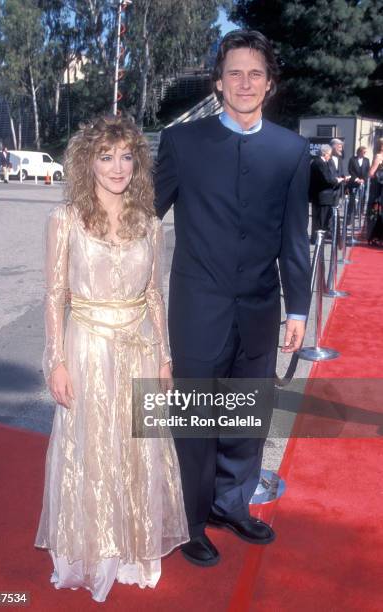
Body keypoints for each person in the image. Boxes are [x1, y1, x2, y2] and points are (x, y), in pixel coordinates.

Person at [154, 29, 311, 567]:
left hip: (262, 309)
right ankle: (191, 520)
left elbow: (294, 234)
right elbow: (142, 219)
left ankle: (231, 503)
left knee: (247, 416)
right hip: (198, 310)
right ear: (218, 82)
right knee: (196, 422)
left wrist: (298, 307)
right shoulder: (183, 143)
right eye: (234, 73)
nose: (245, 83)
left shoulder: (292, 151)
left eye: (256, 74)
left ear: (270, 84)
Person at [34, 115, 188, 602]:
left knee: (138, 449)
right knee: (91, 449)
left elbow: (155, 296)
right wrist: (55, 361)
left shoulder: (148, 222)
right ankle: (92, 549)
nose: (117, 167)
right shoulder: (65, 220)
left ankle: (132, 548)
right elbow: (55, 293)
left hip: (140, 348)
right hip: (88, 348)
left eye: (126, 156)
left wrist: (164, 359)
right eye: (106, 156)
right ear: (87, 162)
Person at [309, 144, 344, 243]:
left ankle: (316, 239)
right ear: (325, 154)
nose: (330, 156)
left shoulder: (318, 162)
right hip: (322, 196)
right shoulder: (320, 163)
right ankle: (317, 240)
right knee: (321, 220)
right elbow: (327, 179)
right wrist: (337, 180)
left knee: (319, 219)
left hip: (321, 195)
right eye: (329, 154)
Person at [366, 137, 383, 245]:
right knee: (376, 213)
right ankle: (374, 237)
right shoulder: (378, 156)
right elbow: (371, 173)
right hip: (378, 190)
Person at [347, 146, 370, 221]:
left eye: (365, 152)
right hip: (354, 181)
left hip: (363, 181)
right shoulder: (352, 159)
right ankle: (351, 213)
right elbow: (350, 170)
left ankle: (361, 212)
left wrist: (363, 179)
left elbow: (367, 171)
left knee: (363, 197)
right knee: (352, 197)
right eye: (363, 152)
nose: (364, 153)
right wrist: (356, 179)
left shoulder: (367, 160)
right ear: (359, 152)